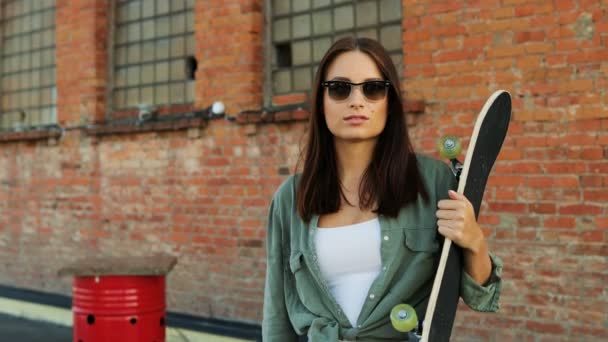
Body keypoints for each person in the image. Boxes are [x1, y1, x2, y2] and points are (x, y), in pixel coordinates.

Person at [263, 37, 502, 341]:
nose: (356, 100)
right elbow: (276, 311)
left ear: (390, 103)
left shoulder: (433, 182)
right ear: (320, 103)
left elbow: (479, 293)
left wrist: (474, 240)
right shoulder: (290, 197)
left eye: (373, 88)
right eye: (339, 88)